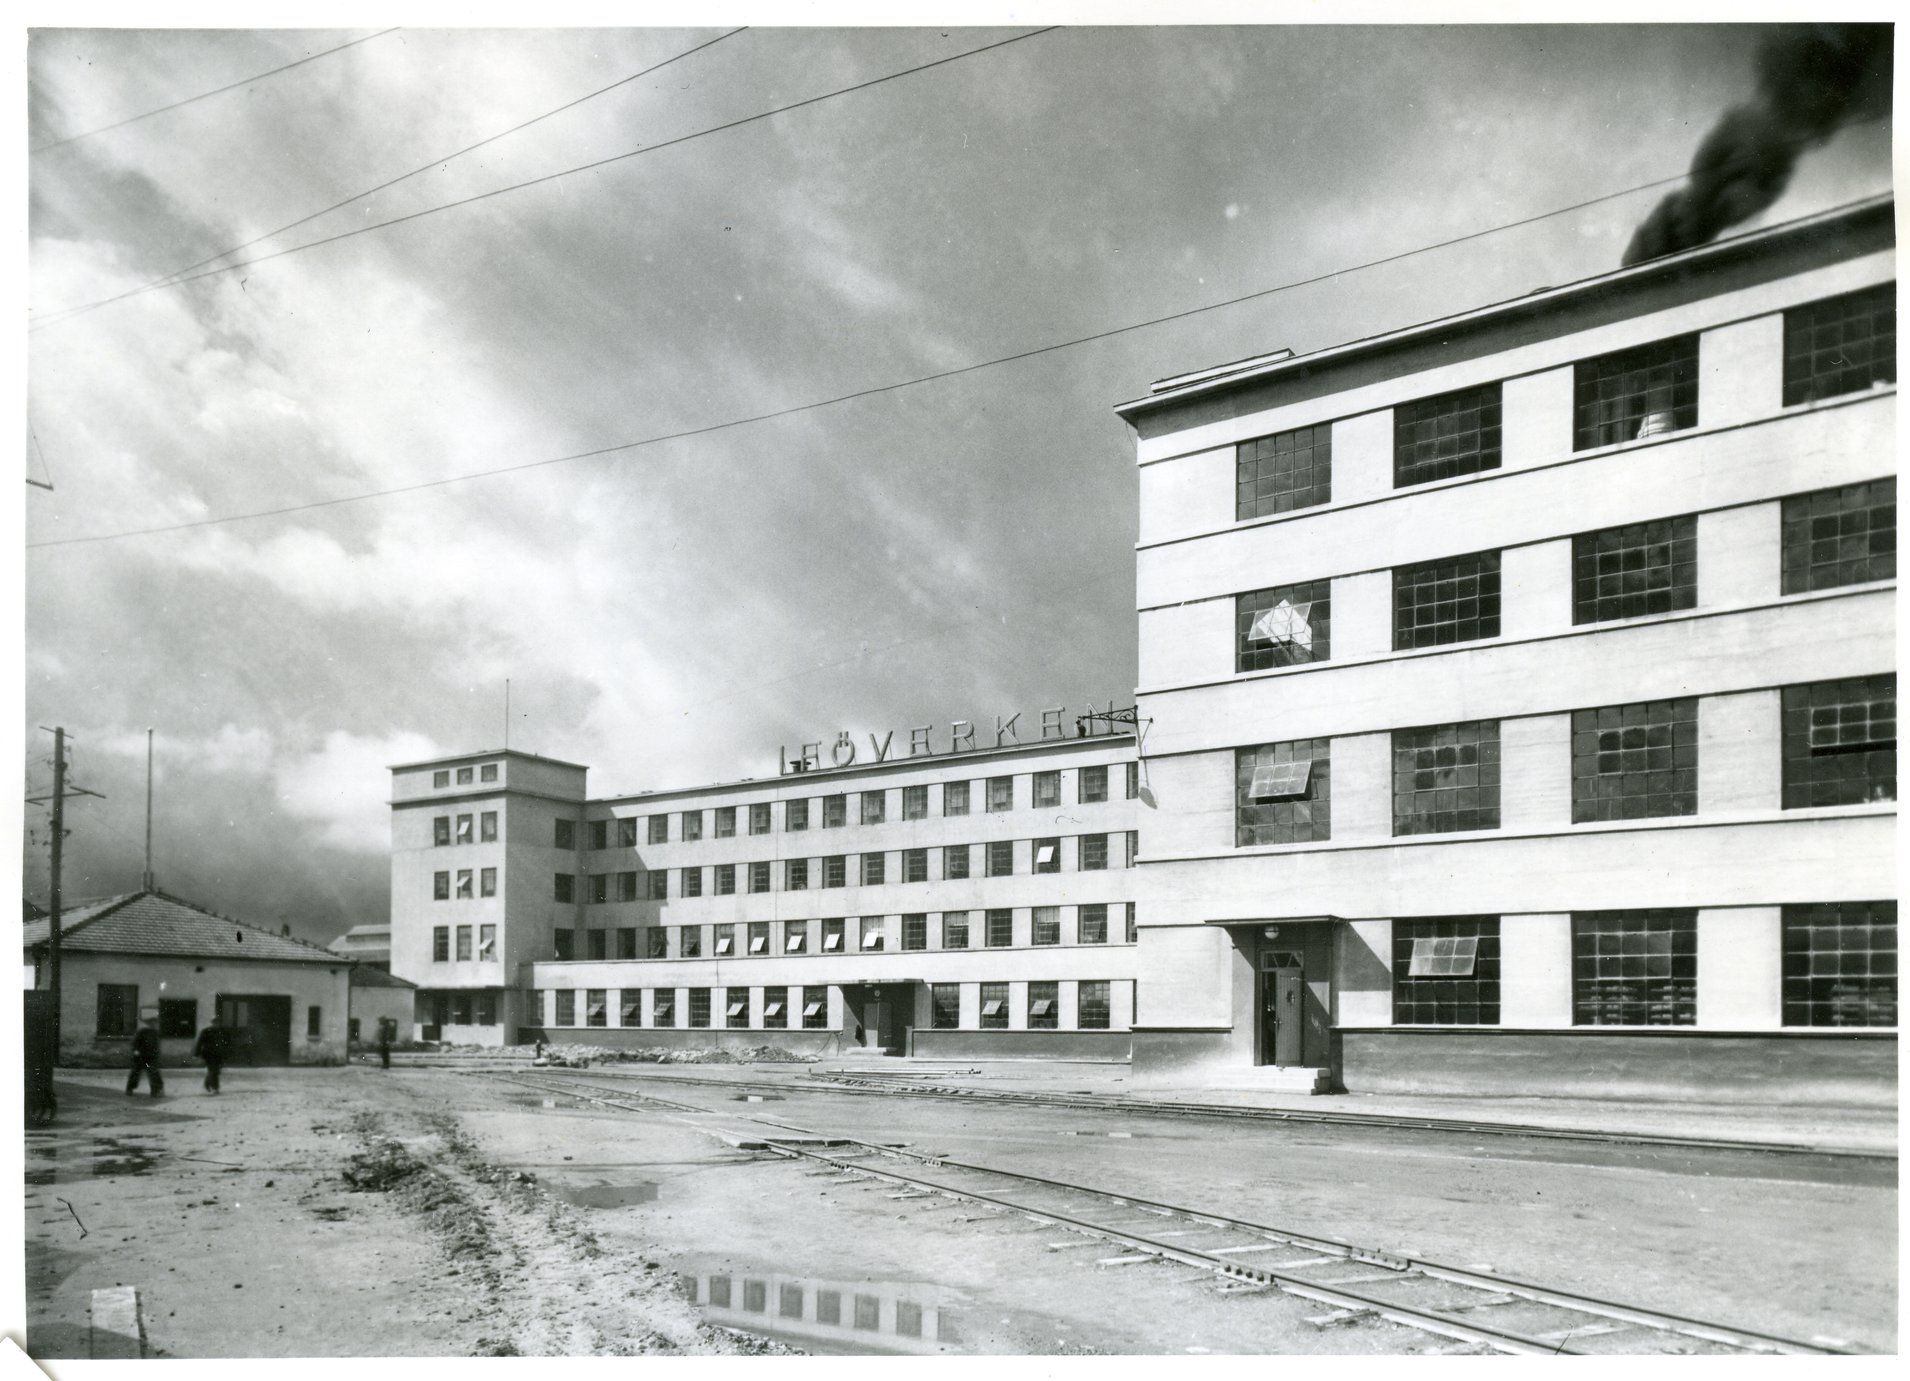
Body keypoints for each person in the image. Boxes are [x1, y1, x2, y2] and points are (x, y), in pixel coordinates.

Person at [193, 1015, 232, 1094]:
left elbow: (228, 1043)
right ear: (212, 1023)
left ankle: (207, 1084)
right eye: (215, 1022)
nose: (216, 1024)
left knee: (216, 1071)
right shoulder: (206, 1031)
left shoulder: (224, 1032)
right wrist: (196, 1054)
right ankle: (215, 1087)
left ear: (220, 1023)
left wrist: (229, 1053)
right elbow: (200, 1043)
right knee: (213, 1070)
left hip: (219, 1054)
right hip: (209, 1054)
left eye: (218, 1022)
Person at [126, 1017, 164, 1098]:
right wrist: (135, 1051)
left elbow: (156, 1045)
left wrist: (157, 1055)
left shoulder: (155, 1033)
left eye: (156, 1023)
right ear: (150, 1024)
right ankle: (129, 1088)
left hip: (152, 1056)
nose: (155, 1025)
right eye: (153, 1023)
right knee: (135, 1072)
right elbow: (135, 1042)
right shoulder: (142, 1032)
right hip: (141, 1056)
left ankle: (155, 1090)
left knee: (154, 1073)